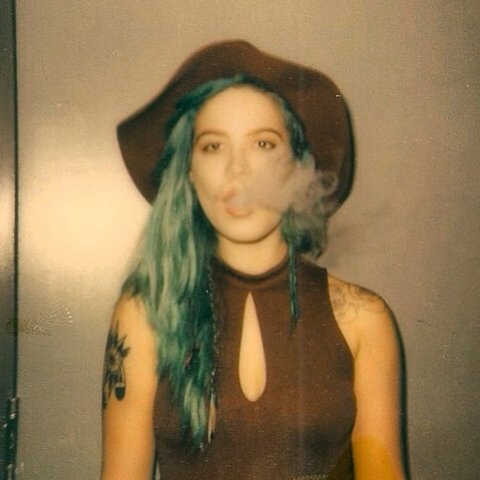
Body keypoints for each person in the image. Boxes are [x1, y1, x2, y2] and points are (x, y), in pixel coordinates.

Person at [101, 40, 407, 480]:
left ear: (298, 167)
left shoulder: (362, 319)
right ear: (189, 172)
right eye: (213, 147)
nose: (237, 171)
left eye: (263, 144)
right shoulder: (144, 314)